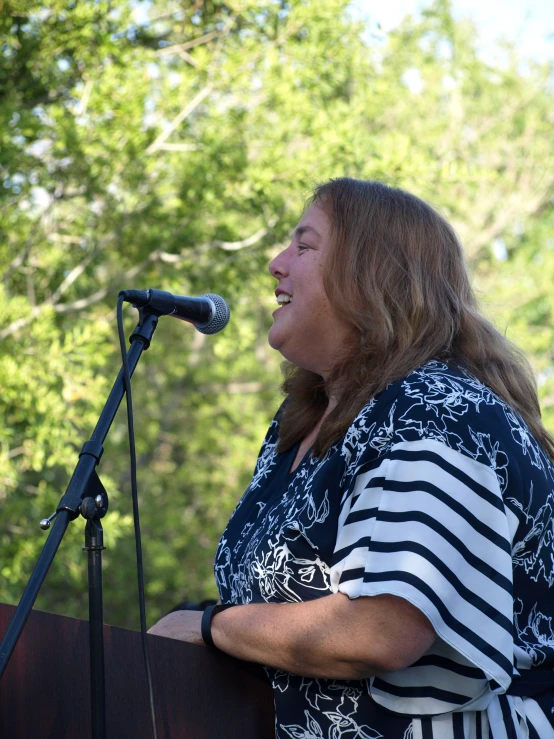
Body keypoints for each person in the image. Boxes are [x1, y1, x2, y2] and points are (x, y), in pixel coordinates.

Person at [149, 179, 554, 738]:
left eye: (304, 246)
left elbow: (382, 629)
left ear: (370, 275)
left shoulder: (437, 409)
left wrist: (211, 626)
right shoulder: (296, 430)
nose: (276, 263)